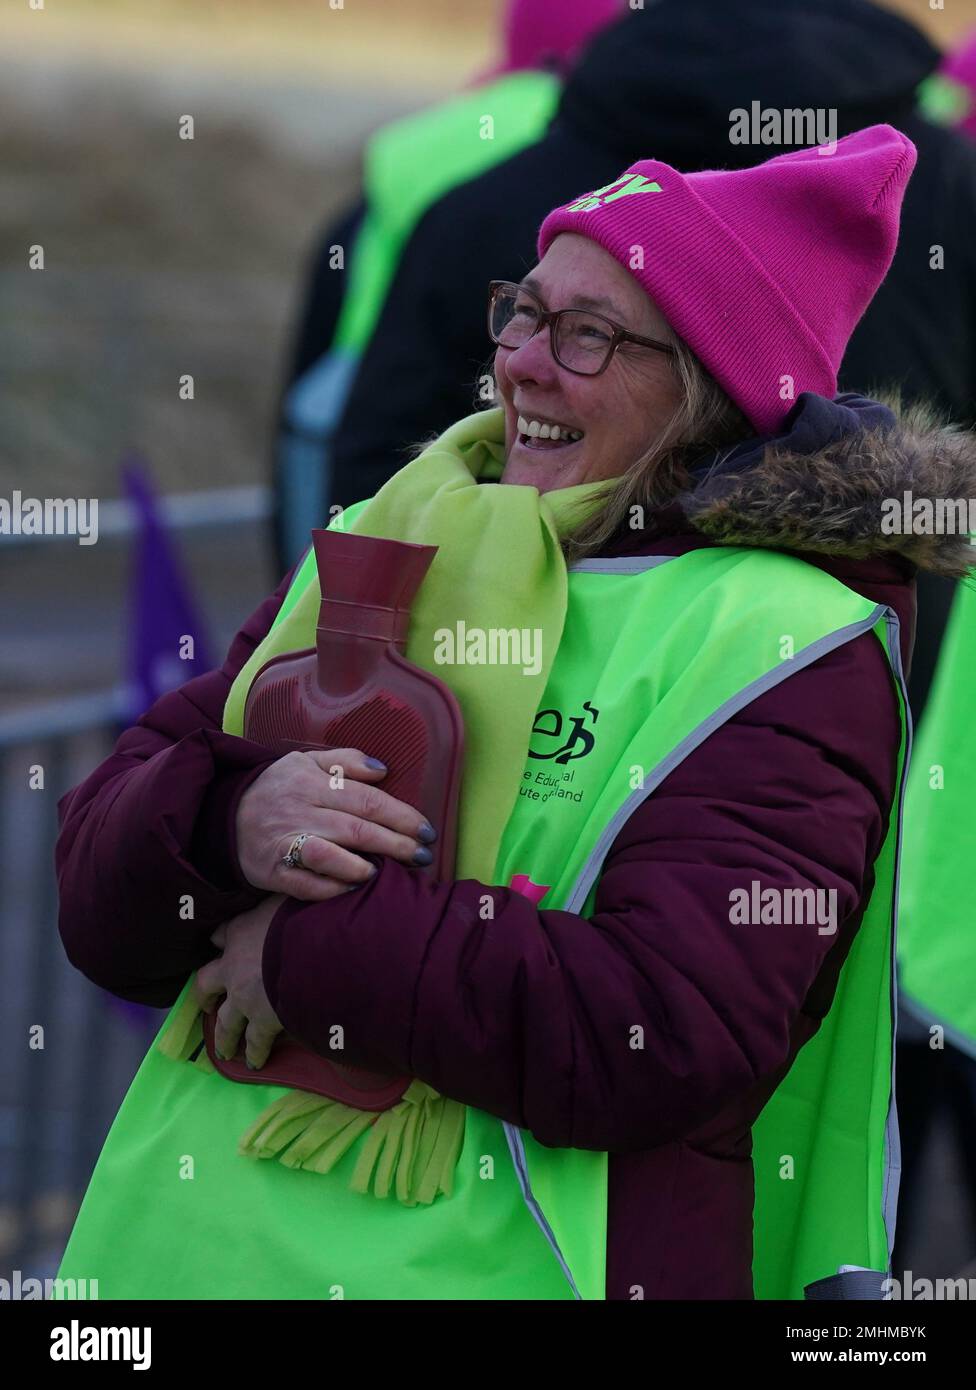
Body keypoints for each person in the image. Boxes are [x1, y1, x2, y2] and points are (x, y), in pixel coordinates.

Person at [55, 126, 976, 1301]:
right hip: (177, 1260)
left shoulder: (781, 642)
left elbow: (664, 1029)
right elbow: (96, 893)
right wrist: (228, 820)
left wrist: (304, 949)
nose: (524, 365)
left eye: (588, 335)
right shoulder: (399, 534)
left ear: (704, 389)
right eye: (524, 313)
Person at [272, 0, 623, 570]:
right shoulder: (592, 131)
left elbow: (339, 271)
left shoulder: (427, 138)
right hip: (524, 379)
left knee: (320, 592)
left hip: (358, 377)